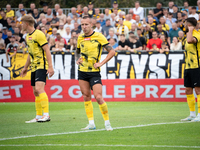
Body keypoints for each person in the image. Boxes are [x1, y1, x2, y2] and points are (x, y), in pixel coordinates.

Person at [75, 16, 115, 131]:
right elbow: (77, 51)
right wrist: (77, 59)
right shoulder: (80, 37)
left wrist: (101, 63)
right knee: (86, 96)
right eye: (82, 24)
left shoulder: (99, 36)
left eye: (86, 24)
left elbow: (112, 51)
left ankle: (107, 123)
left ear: (91, 25)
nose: (84, 27)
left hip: (94, 72)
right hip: (82, 71)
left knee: (98, 97)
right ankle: (91, 123)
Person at [20, 15, 54, 123]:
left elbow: (47, 50)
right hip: (33, 67)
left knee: (39, 89)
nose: (21, 25)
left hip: (41, 65)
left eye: (22, 23)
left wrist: (50, 66)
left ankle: (46, 115)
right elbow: (30, 54)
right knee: (35, 91)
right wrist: (25, 67)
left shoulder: (39, 34)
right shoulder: (27, 37)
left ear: (26, 23)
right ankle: (39, 116)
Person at [181, 17, 200, 122]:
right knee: (188, 90)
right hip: (188, 66)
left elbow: (190, 40)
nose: (184, 26)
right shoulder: (186, 35)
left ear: (189, 25)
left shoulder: (197, 35)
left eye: (185, 24)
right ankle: (192, 114)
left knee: (198, 90)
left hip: (197, 66)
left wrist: (191, 29)